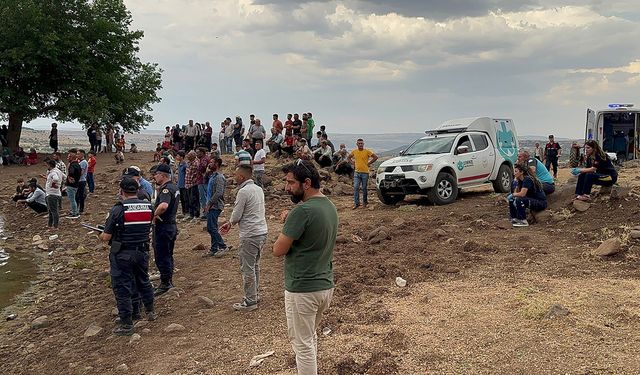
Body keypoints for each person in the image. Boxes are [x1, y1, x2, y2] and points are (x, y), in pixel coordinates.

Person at [272, 160, 337, 375]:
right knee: (309, 338)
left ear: (306, 183)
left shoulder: (302, 212)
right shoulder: (329, 206)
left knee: (302, 345)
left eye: (290, 182)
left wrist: (288, 222)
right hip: (324, 285)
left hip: (303, 288)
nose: (286, 187)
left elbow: (278, 250)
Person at [99, 177, 157, 335]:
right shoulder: (148, 206)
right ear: (137, 190)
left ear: (121, 191)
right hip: (142, 251)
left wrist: (101, 234)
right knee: (143, 281)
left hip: (122, 254)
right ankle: (150, 311)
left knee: (122, 287)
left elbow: (106, 236)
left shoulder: (118, 209)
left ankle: (127, 323)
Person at [219, 165, 268, 311]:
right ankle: (255, 294)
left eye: (236, 175)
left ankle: (250, 301)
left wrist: (230, 223)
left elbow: (237, 214)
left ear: (241, 177)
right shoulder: (258, 189)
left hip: (250, 233)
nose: (234, 177)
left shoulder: (243, 192)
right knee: (256, 265)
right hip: (261, 231)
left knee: (247, 268)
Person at [151, 163, 179, 295]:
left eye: (156, 174)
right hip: (171, 225)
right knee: (168, 254)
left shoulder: (166, 189)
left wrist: (155, 215)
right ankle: (168, 280)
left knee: (162, 255)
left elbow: (163, 205)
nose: (154, 177)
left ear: (163, 175)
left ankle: (165, 282)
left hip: (164, 226)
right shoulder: (174, 187)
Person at [203, 158, 229, 257]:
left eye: (211, 162)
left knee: (211, 228)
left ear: (217, 164)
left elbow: (218, 193)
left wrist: (209, 204)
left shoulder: (219, 177)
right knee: (212, 227)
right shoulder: (212, 176)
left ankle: (222, 246)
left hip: (215, 205)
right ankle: (214, 248)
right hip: (211, 205)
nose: (209, 164)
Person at [348, 139, 378, 209]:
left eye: (361, 143)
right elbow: (348, 157)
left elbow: (375, 157)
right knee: (356, 187)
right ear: (357, 144)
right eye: (359, 143)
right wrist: (353, 163)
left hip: (365, 173)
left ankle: (365, 202)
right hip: (357, 172)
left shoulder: (367, 151)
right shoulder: (354, 151)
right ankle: (356, 203)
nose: (360, 145)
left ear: (363, 144)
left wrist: (369, 163)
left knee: (364, 188)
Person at [45, 159, 62, 229]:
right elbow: (64, 177)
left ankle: (55, 226)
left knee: (53, 211)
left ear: (49, 165)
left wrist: (53, 184)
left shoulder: (53, 173)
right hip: (57, 193)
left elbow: (56, 179)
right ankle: (50, 224)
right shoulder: (58, 171)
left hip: (52, 194)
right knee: (51, 210)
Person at [65, 149, 82, 219]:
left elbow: (71, 173)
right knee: (73, 199)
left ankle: (74, 213)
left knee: (72, 200)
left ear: (71, 158)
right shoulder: (77, 164)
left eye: (69, 157)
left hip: (71, 185)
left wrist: (69, 177)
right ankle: (75, 211)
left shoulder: (72, 165)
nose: (67, 158)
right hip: (76, 185)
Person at [175, 151, 188, 216]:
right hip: (180, 184)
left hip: (184, 184)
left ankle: (186, 212)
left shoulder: (185, 165)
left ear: (182, 157)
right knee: (182, 199)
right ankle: (184, 212)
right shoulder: (179, 164)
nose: (177, 157)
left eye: (178, 156)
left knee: (185, 199)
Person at [76, 149, 88, 214]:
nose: (77, 155)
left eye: (78, 154)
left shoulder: (83, 162)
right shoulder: (79, 162)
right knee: (78, 195)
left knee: (80, 195)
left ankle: (80, 209)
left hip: (81, 180)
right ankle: (78, 208)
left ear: (82, 154)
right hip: (80, 180)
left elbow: (81, 172)